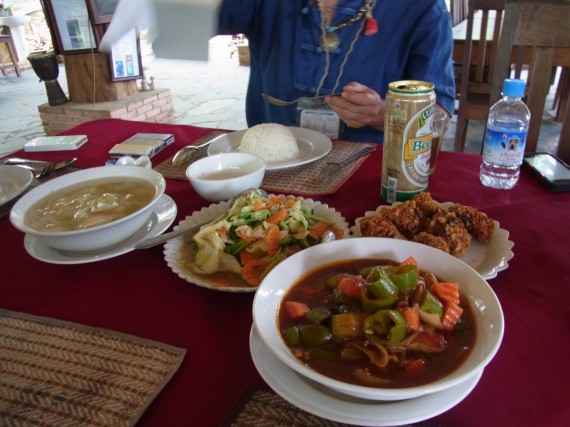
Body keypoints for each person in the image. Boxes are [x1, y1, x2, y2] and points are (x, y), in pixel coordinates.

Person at [217, 0, 455, 143]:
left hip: (370, 177)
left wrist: (383, 114)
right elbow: (186, 19)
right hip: (267, 168)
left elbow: (439, 119)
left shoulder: (423, 8)